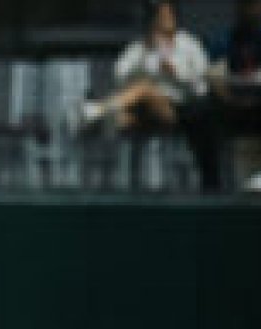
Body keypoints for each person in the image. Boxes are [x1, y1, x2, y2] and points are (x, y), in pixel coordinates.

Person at [74, 0, 219, 188]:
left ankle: (97, 110)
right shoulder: (143, 45)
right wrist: (145, 55)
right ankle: (94, 130)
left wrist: (176, 73)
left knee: (144, 89)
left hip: (182, 109)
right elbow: (119, 74)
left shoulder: (189, 43)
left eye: (167, 15)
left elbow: (202, 83)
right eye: (159, 16)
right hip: (146, 109)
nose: (164, 20)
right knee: (123, 118)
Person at [209, 0, 261, 190]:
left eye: (258, 5)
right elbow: (215, 76)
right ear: (238, 8)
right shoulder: (225, 39)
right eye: (248, 5)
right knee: (205, 113)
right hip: (235, 104)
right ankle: (214, 184)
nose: (254, 10)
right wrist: (231, 98)